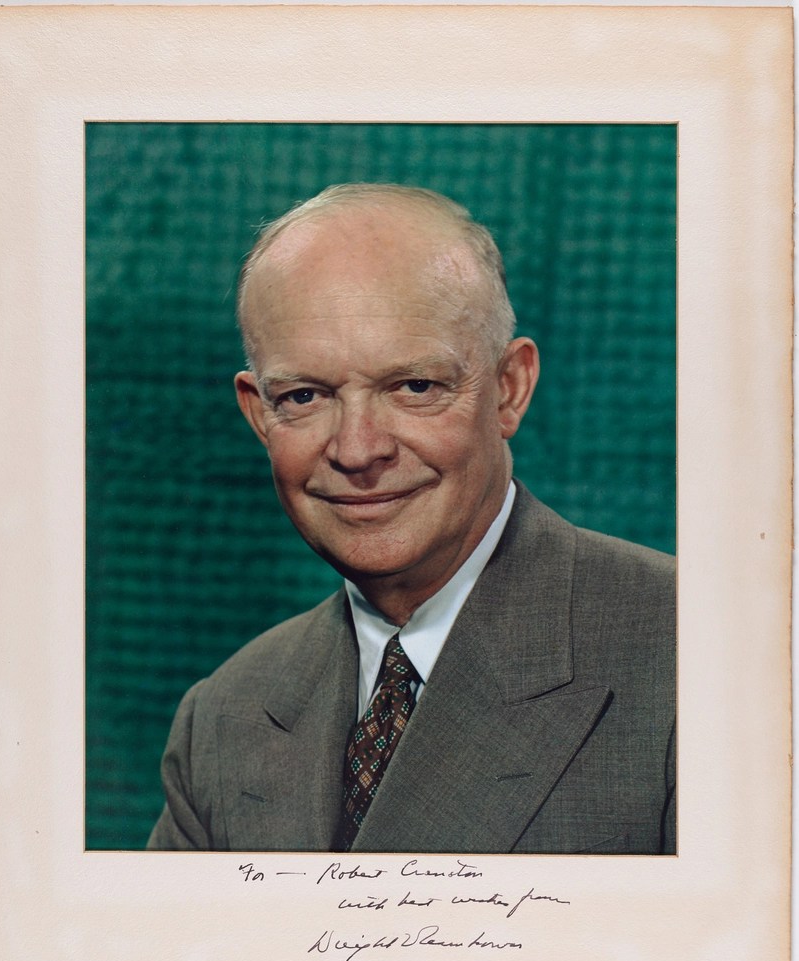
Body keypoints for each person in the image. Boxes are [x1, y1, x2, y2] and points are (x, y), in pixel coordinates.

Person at [148, 183, 676, 855]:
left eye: (414, 387)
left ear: (508, 389)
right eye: (305, 396)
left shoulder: (699, 657)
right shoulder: (223, 721)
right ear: (259, 414)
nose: (357, 449)